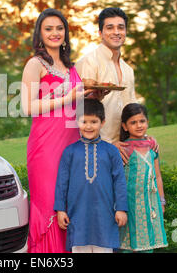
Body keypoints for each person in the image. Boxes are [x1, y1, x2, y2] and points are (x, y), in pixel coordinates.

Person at [21, 8, 93, 253]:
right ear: (39, 34)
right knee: (51, 204)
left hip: (72, 142)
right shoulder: (35, 64)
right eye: (48, 28)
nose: (55, 33)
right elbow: (27, 107)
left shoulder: (71, 67)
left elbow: (77, 105)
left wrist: (92, 96)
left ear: (66, 33)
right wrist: (67, 98)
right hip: (46, 147)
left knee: (69, 205)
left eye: (59, 28)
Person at [54, 98, 128, 253]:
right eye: (84, 121)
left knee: (104, 247)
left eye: (94, 122)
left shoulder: (111, 151)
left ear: (103, 122)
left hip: (106, 214)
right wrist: (60, 210)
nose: (88, 126)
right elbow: (62, 183)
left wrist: (121, 209)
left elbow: (119, 181)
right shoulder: (70, 152)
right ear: (77, 122)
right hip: (78, 214)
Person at [75, 7, 137, 163]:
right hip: (96, 150)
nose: (116, 32)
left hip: (124, 150)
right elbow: (81, 111)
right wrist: (108, 144)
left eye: (120, 27)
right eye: (110, 27)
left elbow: (133, 110)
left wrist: (143, 139)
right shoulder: (90, 61)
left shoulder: (128, 69)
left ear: (126, 31)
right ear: (100, 33)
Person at [118, 103, 168, 252]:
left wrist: (161, 201)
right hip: (131, 204)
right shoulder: (123, 149)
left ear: (147, 122)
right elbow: (118, 180)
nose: (138, 125)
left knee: (148, 243)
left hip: (151, 203)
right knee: (130, 242)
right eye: (133, 122)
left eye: (142, 121)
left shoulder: (152, 146)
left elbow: (157, 176)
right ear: (125, 126)